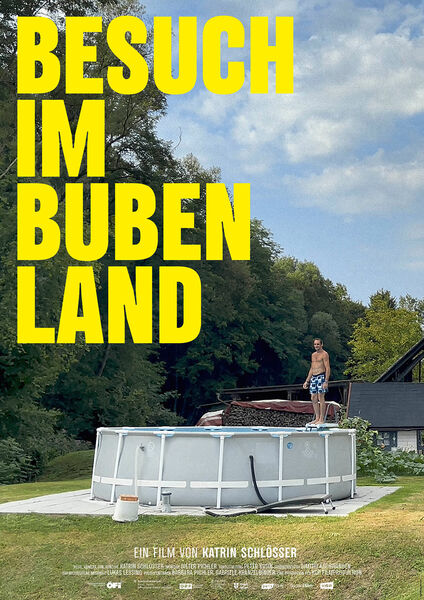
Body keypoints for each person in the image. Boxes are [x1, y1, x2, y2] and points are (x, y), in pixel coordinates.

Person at [302, 338, 331, 425]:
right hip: (313, 378)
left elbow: (327, 368)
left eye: (318, 344)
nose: (316, 346)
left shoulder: (324, 354)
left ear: (321, 344)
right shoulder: (313, 355)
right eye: (315, 344)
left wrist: (326, 381)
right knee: (313, 397)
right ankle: (317, 417)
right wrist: (307, 381)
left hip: (321, 376)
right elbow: (312, 368)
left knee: (321, 397)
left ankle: (321, 419)